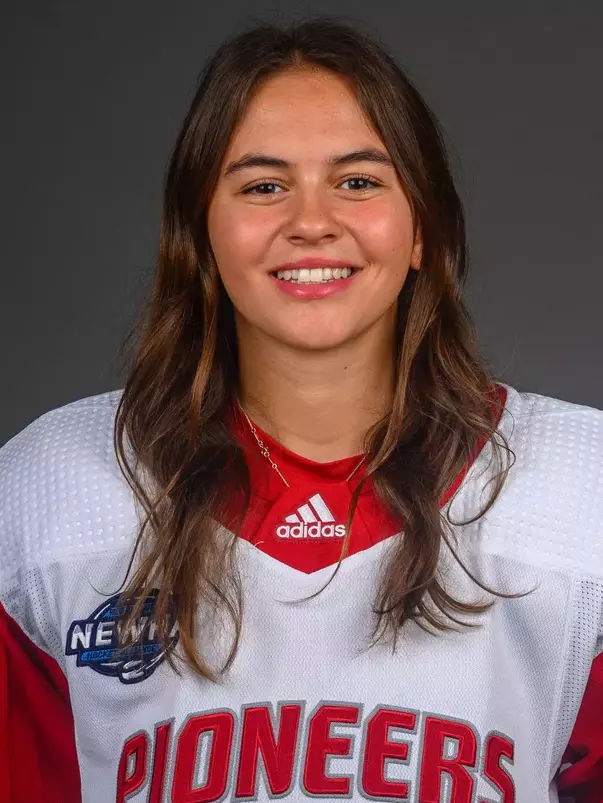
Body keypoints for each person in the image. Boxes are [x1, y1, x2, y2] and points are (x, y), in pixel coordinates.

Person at [0, 16, 601, 803]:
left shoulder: (577, 488)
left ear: (421, 228)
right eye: (263, 186)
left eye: (358, 182)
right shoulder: (49, 491)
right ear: (200, 232)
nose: (311, 222)